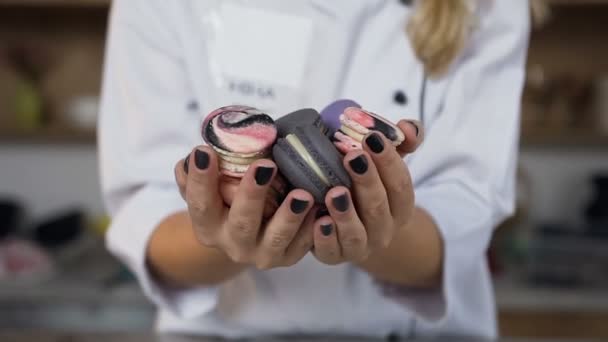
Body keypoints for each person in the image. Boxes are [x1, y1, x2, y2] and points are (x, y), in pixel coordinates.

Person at [99, 0, 530, 338]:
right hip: (224, 333)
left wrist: (373, 227)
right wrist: (226, 233)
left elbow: (464, 222)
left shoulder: (486, 6)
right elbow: (145, 213)